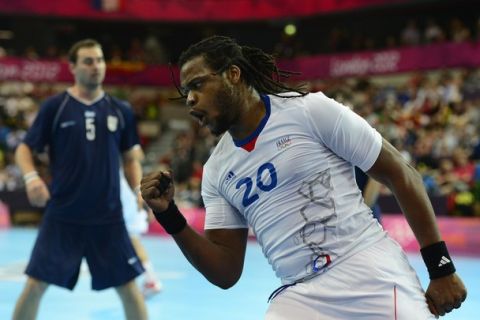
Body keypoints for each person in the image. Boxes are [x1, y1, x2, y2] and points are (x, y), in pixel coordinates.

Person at [140, 35, 467, 319]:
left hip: (368, 270)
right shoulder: (216, 171)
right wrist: (168, 215)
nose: (191, 100)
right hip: (301, 294)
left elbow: (400, 173)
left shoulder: (310, 111)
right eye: (186, 93)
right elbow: (225, 271)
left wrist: (441, 268)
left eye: (197, 85)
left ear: (234, 74)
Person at [13, 39, 147, 320]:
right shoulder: (55, 107)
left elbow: (130, 158)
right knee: (36, 284)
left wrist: (138, 189)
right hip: (63, 215)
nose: (96, 66)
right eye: (88, 61)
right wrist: (31, 177)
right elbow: (25, 148)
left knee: (128, 286)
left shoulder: (120, 110)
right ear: (72, 67)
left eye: (99, 60)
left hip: (108, 216)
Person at [120, 170, 163, 298]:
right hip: (126, 196)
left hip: (126, 197)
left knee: (132, 238)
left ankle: (151, 280)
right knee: (129, 239)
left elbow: (133, 159)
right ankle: (150, 280)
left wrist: (140, 195)